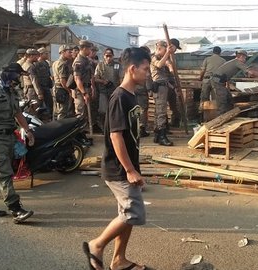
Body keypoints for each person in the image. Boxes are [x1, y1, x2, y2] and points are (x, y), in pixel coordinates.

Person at [83, 47, 150, 270]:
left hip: (128, 165)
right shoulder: (120, 97)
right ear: (132, 69)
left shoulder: (131, 96)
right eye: (146, 69)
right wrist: (130, 170)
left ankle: (119, 259)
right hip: (119, 168)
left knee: (126, 214)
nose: (148, 73)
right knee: (134, 212)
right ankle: (97, 245)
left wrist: (135, 167)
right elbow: (115, 136)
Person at [0, 63, 34, 224]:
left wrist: (28, 131)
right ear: (8, 75)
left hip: (9, 138)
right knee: (4, 174)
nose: (19, 79)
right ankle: (16, 208)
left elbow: (18, 114)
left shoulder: (12, 93)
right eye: (17, 75)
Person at [210, 50, 258, 115]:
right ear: (241, 56)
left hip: (220, 81)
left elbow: (248, 73)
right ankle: (220, 118)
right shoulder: (237, 62)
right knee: (223, 100)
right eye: (245, 58)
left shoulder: (234, 62)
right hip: (217, 82)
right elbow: (250, 72)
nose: (245, 60)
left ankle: (229, 115)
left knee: (229, 100)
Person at [150, 40, 177, 146]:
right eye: (164, 50)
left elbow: (166, 74)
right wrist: (167, 53)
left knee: (158, 112)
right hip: (159, 87)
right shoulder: (155, 58)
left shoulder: (162, 58)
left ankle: (157, 134)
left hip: (163, 86)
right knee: (161, 112)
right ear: (159, 48)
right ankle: (161, 136)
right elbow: (160, 65)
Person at [95, 48, 121, 132]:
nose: (108, 58)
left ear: (113, 56)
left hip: (114, 91)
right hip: (103, 91)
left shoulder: (117, 65)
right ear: (104, 56)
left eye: (110, 56)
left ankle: (113, 127)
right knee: (103, 110)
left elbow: (121, 78)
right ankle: (104, 127)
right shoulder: (100, 65)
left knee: (114, 110)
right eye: (107, 56)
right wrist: (103, 81)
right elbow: (95, 78)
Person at [198, 46, 226, 116]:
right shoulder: (223, 61)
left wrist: (200, 78)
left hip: (206, 80)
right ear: (220, 53)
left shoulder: (207, 59)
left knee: (204, 97)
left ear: (213, 52)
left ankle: (202, 114)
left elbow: (203, 70)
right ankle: (214, 115)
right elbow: (224, 73)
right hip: (217, 81)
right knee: (215, 99)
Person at [72, 40, 95, 121]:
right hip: (80, 91)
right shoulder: (78, 62)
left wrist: (92, 87)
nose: (90, 51)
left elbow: (90, 75)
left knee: (87, 113)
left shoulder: (87, 60)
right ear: (84, 48)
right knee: (80, 113)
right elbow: (77, 79)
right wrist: (84, 93)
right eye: (89, 49)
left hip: (87, 88)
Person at [52, 45, 74, 120]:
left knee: (56, 111)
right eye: (69, 52)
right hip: (62, 89)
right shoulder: (62, 64)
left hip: (56, 88)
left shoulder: (55, 62)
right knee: (62, 112)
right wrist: (69, 91)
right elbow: (63, 80)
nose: (71, 53)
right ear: (63, 52)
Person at [136, 46, 153, 137]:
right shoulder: (146, 63)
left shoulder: (134, 61)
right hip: (142, 89)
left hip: (133, 88)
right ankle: (142, 128)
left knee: (134, 108)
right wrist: (149, 89)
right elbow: (148, 77)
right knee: (143, 109)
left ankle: (135, 127)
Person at [33, 47, 54, 120]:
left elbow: (48, 75)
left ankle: (49, 118)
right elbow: (35, 78)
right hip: (40, 88)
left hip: (47, 87)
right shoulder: (36, 64)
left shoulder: (46, 63)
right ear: (41, 54)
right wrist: (39, 91)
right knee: (39, 106)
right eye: (46, 53)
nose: (48, 55)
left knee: (50, 104)